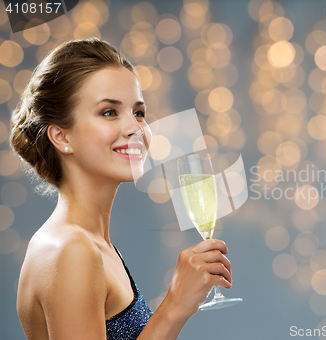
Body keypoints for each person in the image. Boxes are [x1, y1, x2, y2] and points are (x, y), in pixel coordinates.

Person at [11, 38, 233, 340]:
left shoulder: (89, 244)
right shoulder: (72, 252)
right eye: (109, 112)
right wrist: (175, 305)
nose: (135, 128)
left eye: (138, 112)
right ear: (62, 137)